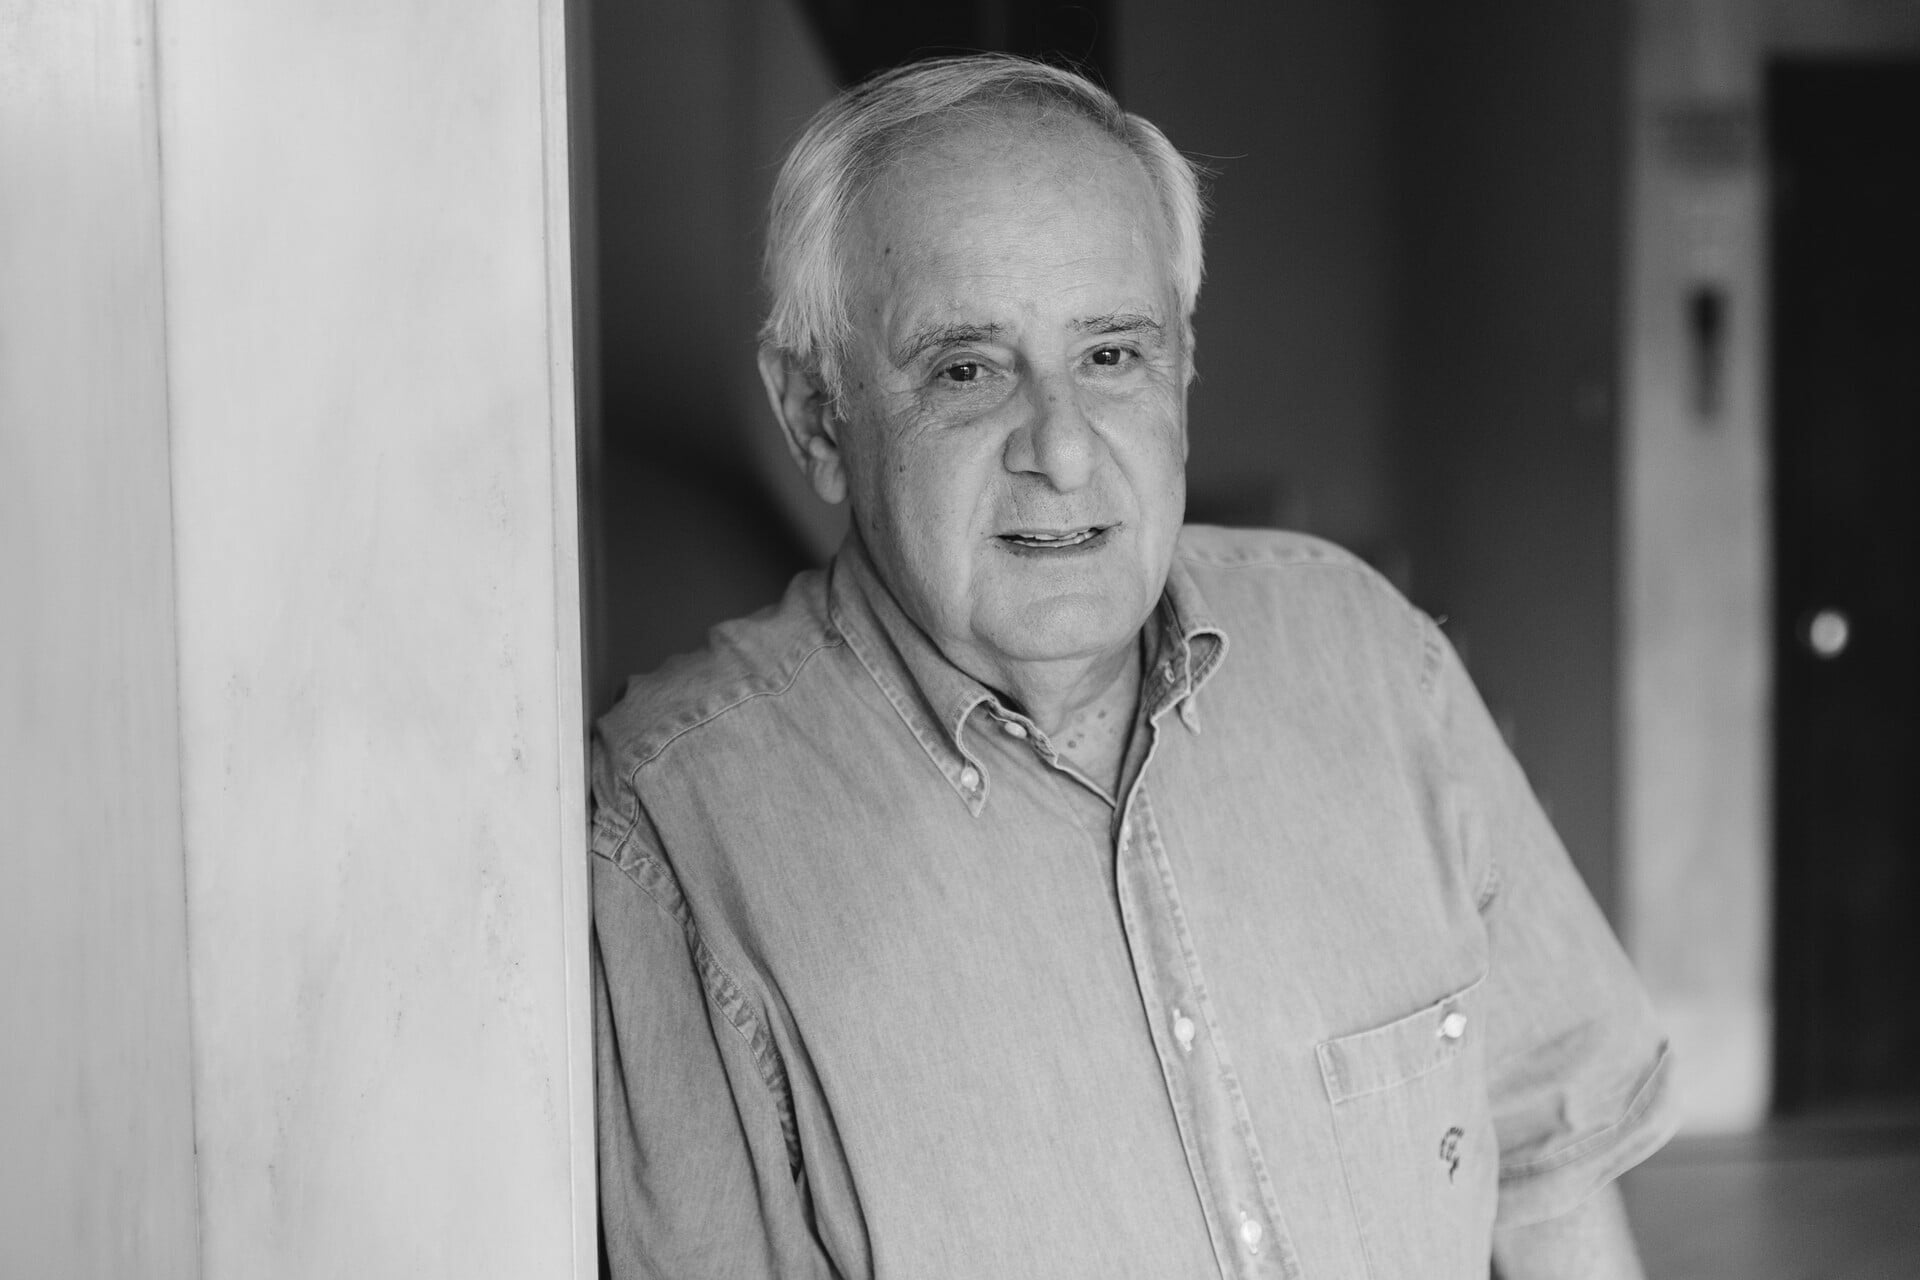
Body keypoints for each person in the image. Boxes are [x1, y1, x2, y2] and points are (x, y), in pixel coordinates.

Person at [591, 53, 1676, 1279]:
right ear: (816, 415)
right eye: (966, 368)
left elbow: (1552, 1175)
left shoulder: (1372, 658)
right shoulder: (677, 835)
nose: (1061, 449)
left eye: (1112, 355)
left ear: (1184, 371)